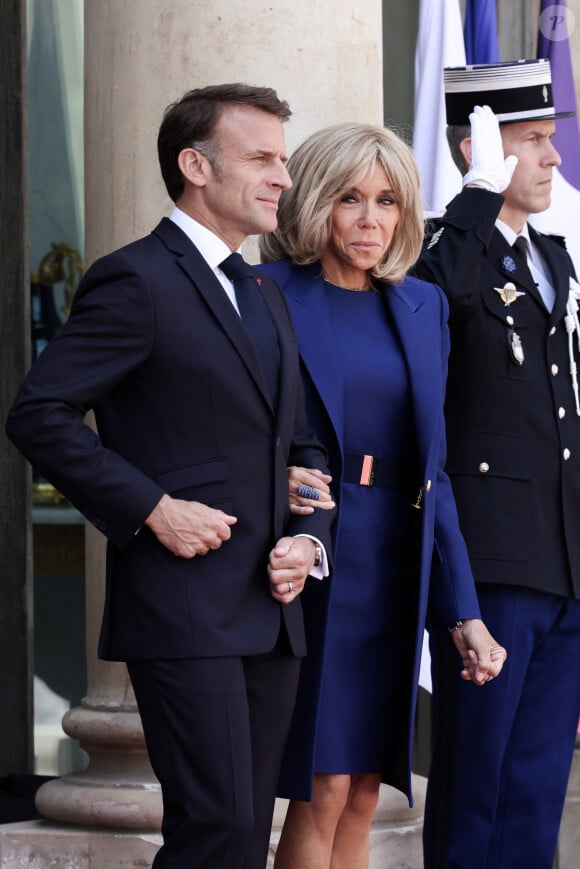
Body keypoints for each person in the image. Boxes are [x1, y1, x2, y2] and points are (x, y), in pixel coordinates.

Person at [5, 83, 336, 869]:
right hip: (185, 609)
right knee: (214, 832)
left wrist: (309, 537)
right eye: (262, 158)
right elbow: (38, 414)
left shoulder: (263, 290)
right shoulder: (136, 280)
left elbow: (308, 444)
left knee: (243, 839)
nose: (283, 179)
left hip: (273, 609)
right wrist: (152, 507)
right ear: (195, 165)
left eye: (282, 161)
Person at [257, 121, 507, 869]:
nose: (371, 220)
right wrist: (275, 485)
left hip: (397, 563)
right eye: (350, 199)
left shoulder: (422, 306)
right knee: (323, 783)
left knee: (368, 787)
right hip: (318, 556)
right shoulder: (266, 293)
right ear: (312, 204)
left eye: (388, 202)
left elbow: (437, 472)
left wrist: (463, 609)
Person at [414, 59, 580, 869]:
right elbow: (427, 309)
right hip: (491, 560)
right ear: (477, 148)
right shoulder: (447, 254)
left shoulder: (552, 256)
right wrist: (475, 198)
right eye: (534, 141)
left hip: (561, 555)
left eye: (553, 140)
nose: (554, 158)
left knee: (538, 783)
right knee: (477, 778)